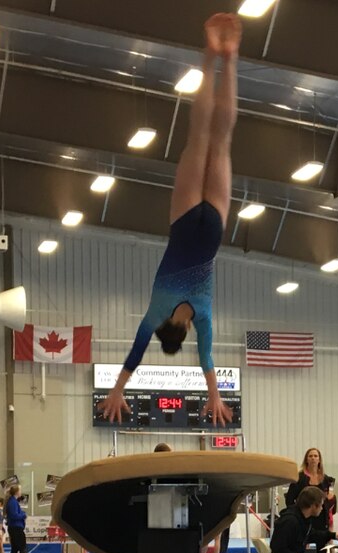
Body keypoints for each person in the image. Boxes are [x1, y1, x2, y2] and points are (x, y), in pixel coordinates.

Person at [96, 12, 242, 431]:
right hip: (182, 224)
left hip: (211, 229)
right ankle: (210, 55)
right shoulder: (156, 310)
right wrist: (119, 388)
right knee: (200, 136)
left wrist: (215, 396)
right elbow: (135, 352)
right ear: (164, 328)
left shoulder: (205, 316)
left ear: (184, 329)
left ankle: (228, 58)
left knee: (221, 139)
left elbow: (207, 359)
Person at [5, 485, 28, 553]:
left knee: (14, 548)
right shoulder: (13, 502)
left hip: (15, 527)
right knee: (22, 546)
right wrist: (23, 515)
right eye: (20, 490)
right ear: (17, 492)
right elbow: (14, 515)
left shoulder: (13, 502)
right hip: (16, 527)